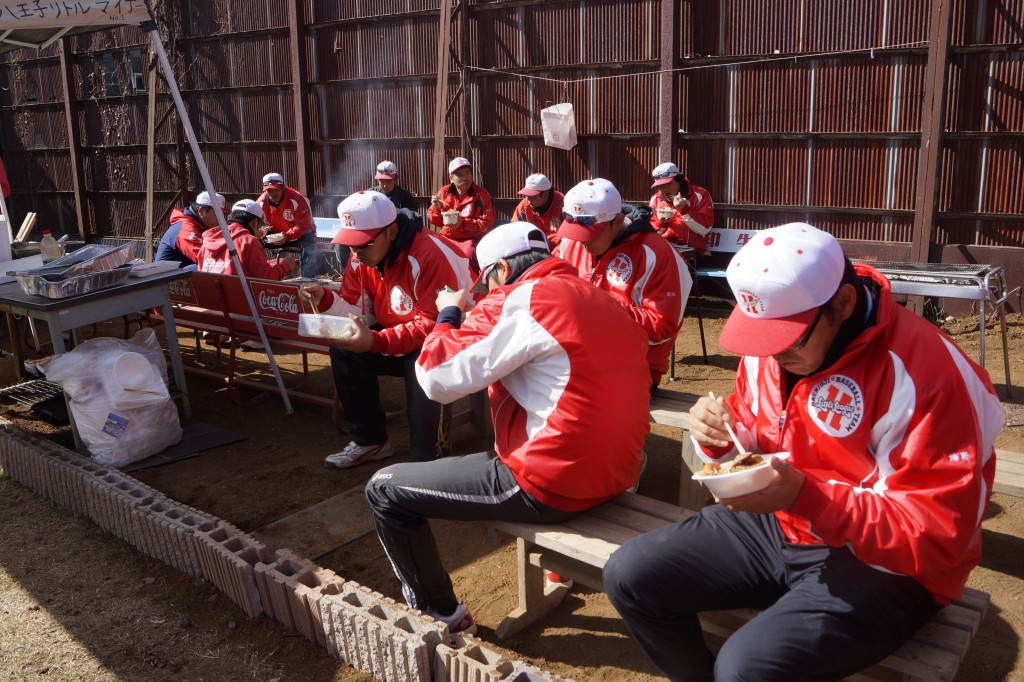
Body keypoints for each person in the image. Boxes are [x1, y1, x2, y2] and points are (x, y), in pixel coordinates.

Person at [603, 222, 1005, 682]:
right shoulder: (774, 348)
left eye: (787, 339)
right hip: (785, 522)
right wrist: (717, 437)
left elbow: (936, 538)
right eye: (761, 338)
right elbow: (751, 428)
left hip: (891, 566)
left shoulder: (927, 372)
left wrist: (805, 497)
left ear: (843, 304)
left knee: (744, 669)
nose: (772, 355)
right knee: (630, 574)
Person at [364, 221, 652, 637]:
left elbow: (436, 379)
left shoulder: (522, 296)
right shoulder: (599, 296)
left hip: (556, 483)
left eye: (486, 283)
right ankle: (556, 569)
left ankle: (441, 616)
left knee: (384, 490)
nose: (486, 293)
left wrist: (448, 314)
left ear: (501, 269)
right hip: (623, 471)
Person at [298, 191, 472, 469]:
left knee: (423, 362)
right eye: (350, 244)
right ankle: (370, 441)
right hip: (401, 332)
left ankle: (429, 459)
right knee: (344, 350)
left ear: (391, 232)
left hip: (454, 337)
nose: (355, 253)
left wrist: (376, 341)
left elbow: (437, 325)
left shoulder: (429, 253)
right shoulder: (360, 258)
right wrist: (326, 300)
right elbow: (359, 313)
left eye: (363, 244)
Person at [553, 178, 692, 388]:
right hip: (573, 359)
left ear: (618, 221)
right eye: (575, 232)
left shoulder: (656, 253)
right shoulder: (569, 244)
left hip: (631, 369)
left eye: (590, 233)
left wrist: (599, 307)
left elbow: (664, 327)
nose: (582, 241)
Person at [198, 199, 297, 280]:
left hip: (209, 295)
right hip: (240, 296)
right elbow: (266, 278)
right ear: (254, 222)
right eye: (260, 224)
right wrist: (286, 264)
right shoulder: (249, 241)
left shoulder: (208, 241)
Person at [257, 172, 320, 277]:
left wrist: (287, 236)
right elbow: (258, 224)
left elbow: (305, 225)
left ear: (282, 187)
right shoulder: (261, 203)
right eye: (269, 190)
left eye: (276, 189)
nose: (273, 193)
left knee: (309, 241)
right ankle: (260, 275)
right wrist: (262, 231)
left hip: (300, 235)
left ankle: (307, 279)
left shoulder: (297, 198)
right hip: (276, 235)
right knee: (255, 241)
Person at [647, 162, 714, 255]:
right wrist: (661, 222)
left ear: (679, 180)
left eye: (668, 184)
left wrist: (684, 209)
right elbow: (649, 232)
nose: (665, 189)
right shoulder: (656, 199)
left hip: (693, 251)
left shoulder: (700, 195)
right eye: (660, 186)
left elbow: (704, 229)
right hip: (664, 249)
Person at [426, 157, 495, 246]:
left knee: (468, 254)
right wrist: (437, 208)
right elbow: (435, 220)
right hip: (446, 238)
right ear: (451, 178)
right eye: (459, 174)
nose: (465, 178)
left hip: (471, 241)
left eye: (467, 173)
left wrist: (462, 223)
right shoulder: (444, 192)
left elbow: (486, 225)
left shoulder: (481, 196)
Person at [155, 191, 226, 268]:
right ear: (201, 211)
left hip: (178, 271)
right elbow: (204, 258)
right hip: (166, 274)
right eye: (218, 213)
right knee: (209, 267)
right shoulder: (186, 229)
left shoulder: (200, 226)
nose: (221, 217)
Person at [510, 173, 564, 247]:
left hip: (558, 250)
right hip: (533, 249)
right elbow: (513, 231)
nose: (528, 200)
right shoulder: (524, 205)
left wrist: (549, 244)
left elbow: (570, 237)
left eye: (531, 196)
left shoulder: (563, 204)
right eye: (527, 196)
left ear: (545, 195)